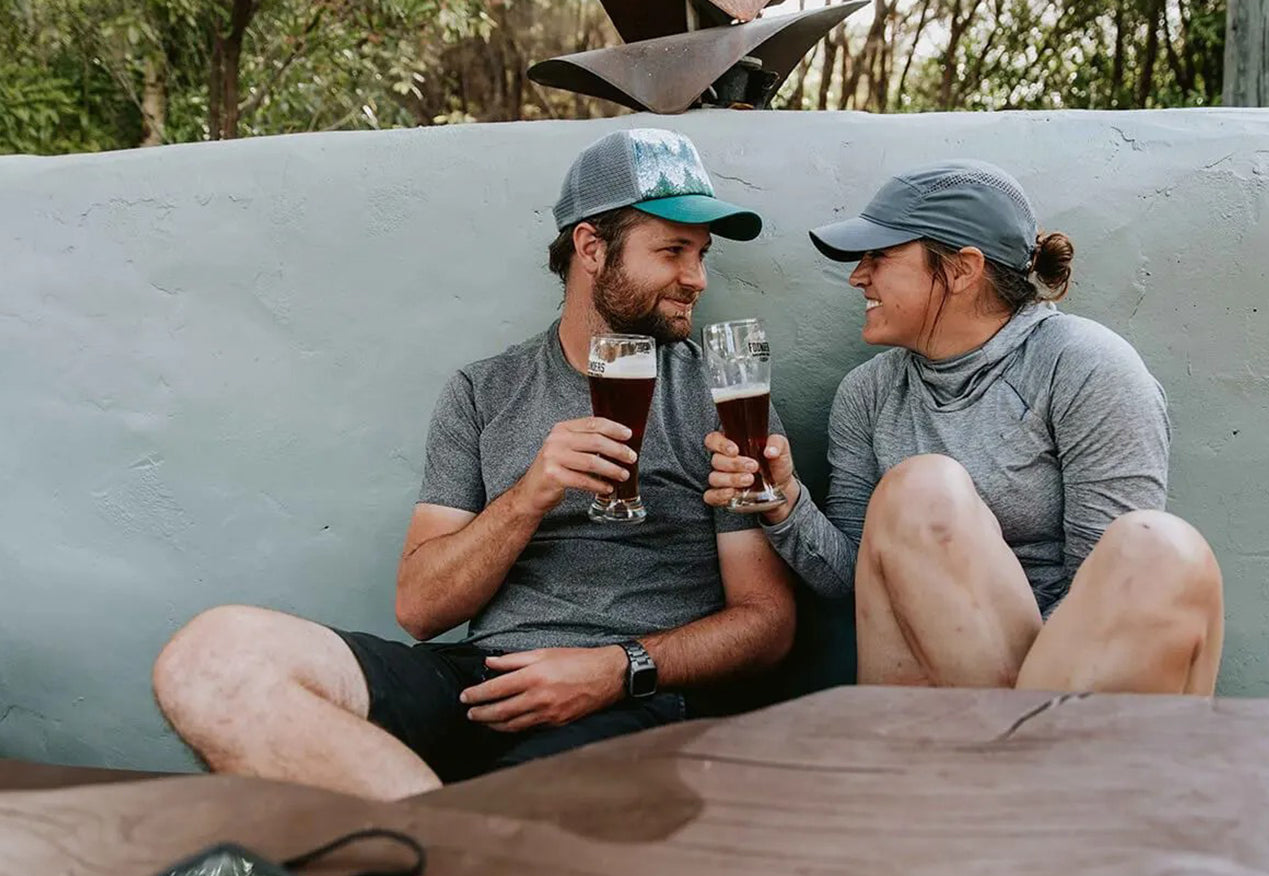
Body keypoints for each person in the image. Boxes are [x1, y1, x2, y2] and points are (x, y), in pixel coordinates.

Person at [152, 128, 796, 799]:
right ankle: (440, 837)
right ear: (591, 248)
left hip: (629, 697)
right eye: (673, 251)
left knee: (514, 802)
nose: (697, 278)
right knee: (210, 662)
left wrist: (618, 667)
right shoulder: (484, 391)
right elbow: (421, 608)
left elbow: (767, 624)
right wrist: (530, 494)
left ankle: (437, 843)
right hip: (479, 677)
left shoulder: (722, 395)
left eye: (701, 255)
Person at [704, 161, 1222, 694]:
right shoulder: (870, 392)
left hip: (1075, 686)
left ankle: (1023, 743)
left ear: (963, 269)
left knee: (1161, 548)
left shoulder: (1087, 368)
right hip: (928, 688)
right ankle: (1021, 749)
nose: (859, 276)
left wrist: (1043, 689)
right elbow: (854, 581)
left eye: (879, 256)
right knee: (921, 489)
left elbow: (1111, 590)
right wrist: (784, 501)